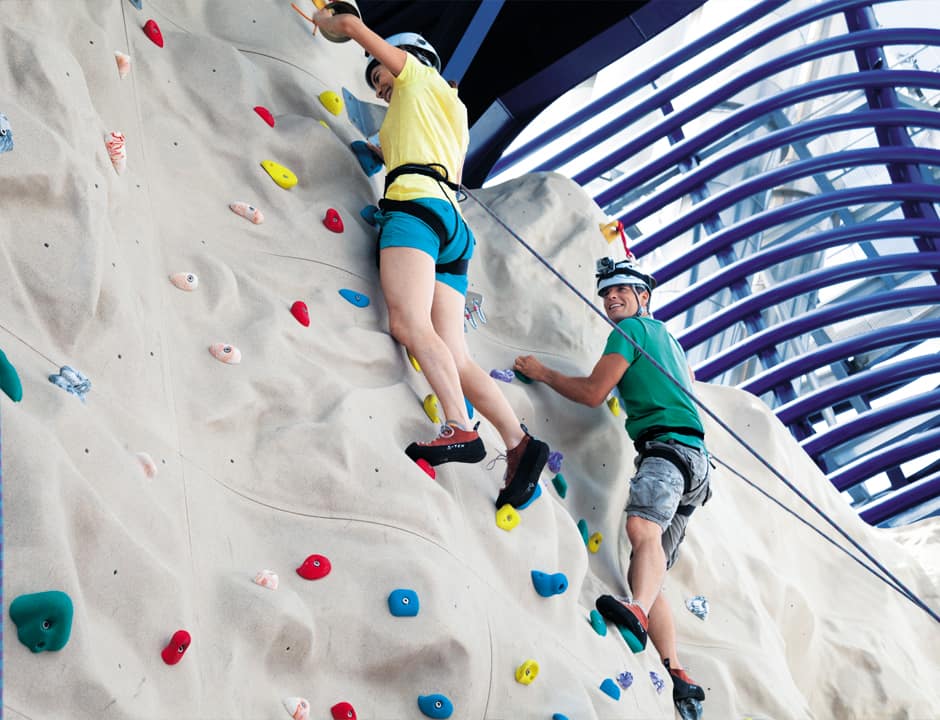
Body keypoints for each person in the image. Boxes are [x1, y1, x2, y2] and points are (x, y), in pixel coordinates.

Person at [311, 10, 548, 508]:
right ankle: (519, 443)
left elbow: (355, 31)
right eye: (377, 88)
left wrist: (330, 21)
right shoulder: (448, 108)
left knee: (409, 324)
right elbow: (393, 147)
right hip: (453, 226)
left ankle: (460, 427)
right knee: (455, 354)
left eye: (382, 78)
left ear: (411, 62)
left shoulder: (417, 79)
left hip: (415, 212)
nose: (382, 89)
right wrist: (375, 148)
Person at [513, 257, 709, 707]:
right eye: (607, 292)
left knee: (642, 531)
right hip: (695, 464)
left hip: (668, 449)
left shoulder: (633, 332)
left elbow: (593, 393)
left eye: (622, 289)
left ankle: (637, 613)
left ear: (644, 297)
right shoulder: (671, 343)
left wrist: (542, 373)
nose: (612, 296)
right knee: (650, 560)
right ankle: (677, 672)